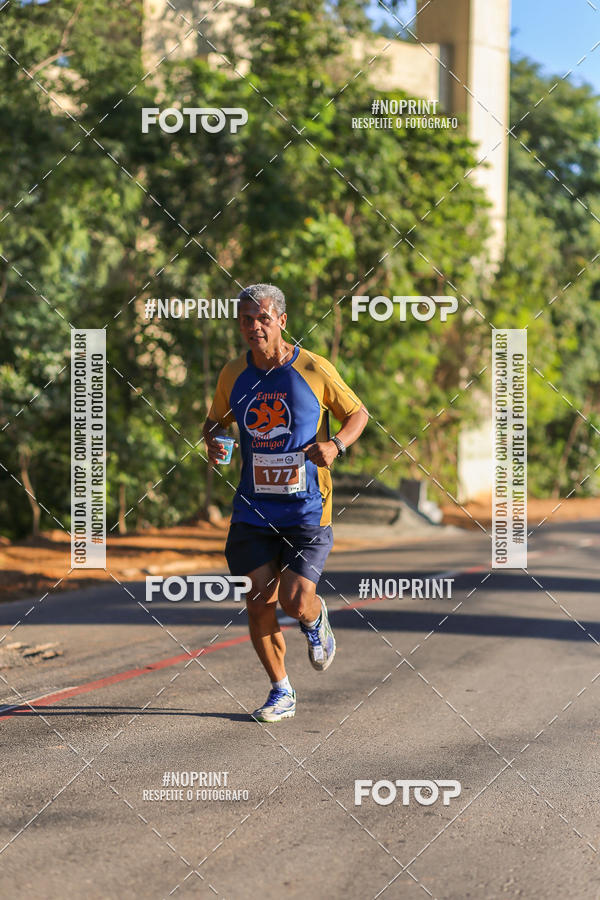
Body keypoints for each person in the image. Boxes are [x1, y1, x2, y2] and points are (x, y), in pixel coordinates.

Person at [203, 284, 368, 722]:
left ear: (281, 320)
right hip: (253, 509)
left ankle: (314, 619)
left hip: (307, 507)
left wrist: (335, 445)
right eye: (246, 320)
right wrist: (214, 440)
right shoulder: (233, 374)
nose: (254, 327)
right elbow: (215, 421)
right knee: (259, 600)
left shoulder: (313, 368)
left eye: (263, 318)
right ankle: (281, 691)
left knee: (295, 601)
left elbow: (358, 414)